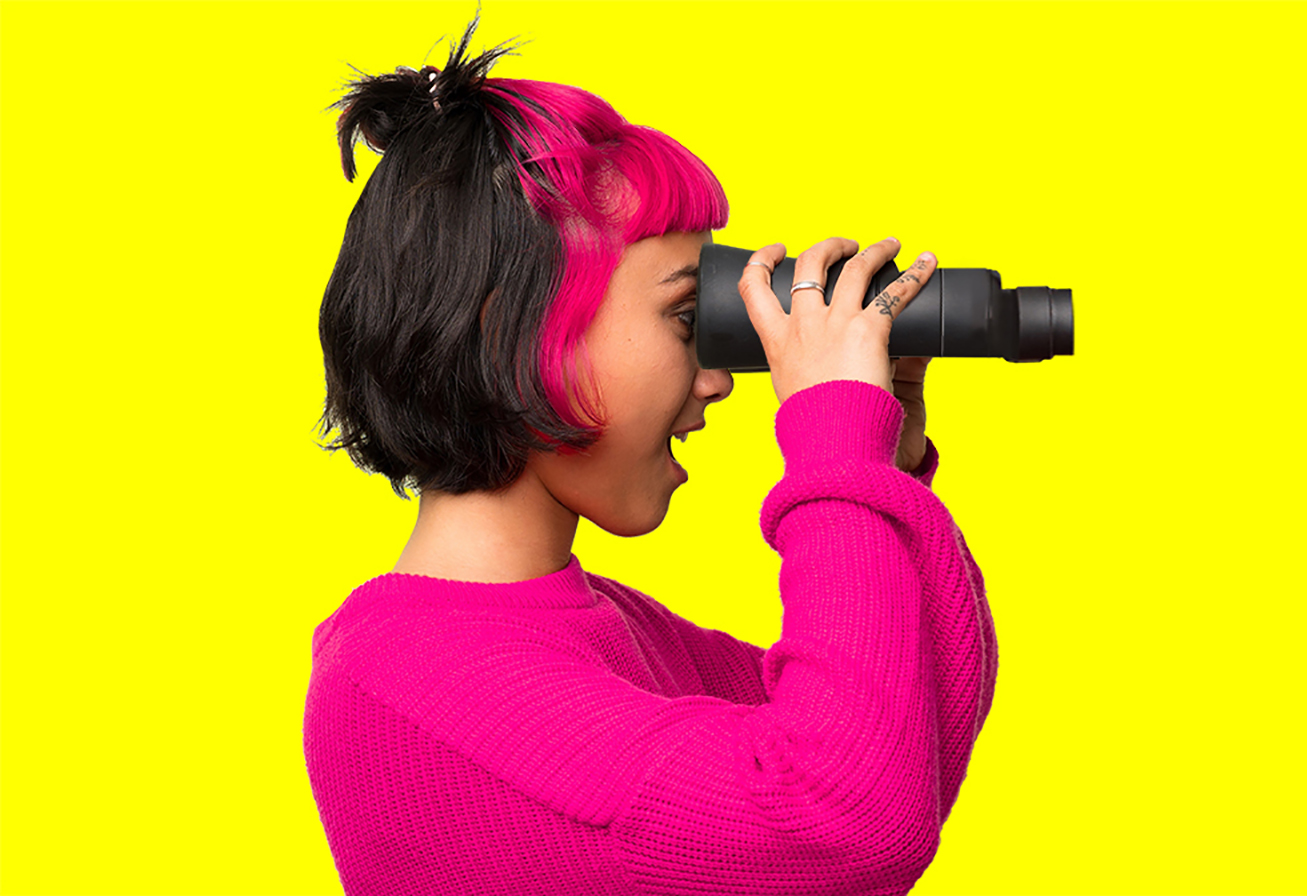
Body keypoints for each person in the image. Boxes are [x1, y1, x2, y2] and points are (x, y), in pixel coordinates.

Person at [303, 13, 998, 895]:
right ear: (506, 331)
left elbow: (908, 739)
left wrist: (880, 464)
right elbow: (843, 823)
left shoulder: (593, 627)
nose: (720, 379)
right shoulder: (409, 682)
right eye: (687, 319)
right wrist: (831, 450)